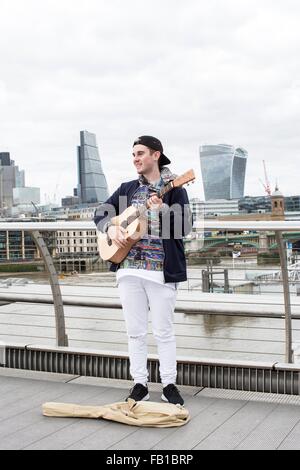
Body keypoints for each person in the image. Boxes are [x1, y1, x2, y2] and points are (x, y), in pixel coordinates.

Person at [94, 135, 192, 405]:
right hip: (128, 269)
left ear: (156, 155)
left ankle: (169, 384)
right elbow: (100, 213)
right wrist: (111, 227)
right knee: (134, 331)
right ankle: (140, 384)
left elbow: (184, 227)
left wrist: (162, 211)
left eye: (140, 153)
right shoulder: (126, 189)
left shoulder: (174, 189)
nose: (135, 159)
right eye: (133, 154)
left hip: (161, 270)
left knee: (164, 331)